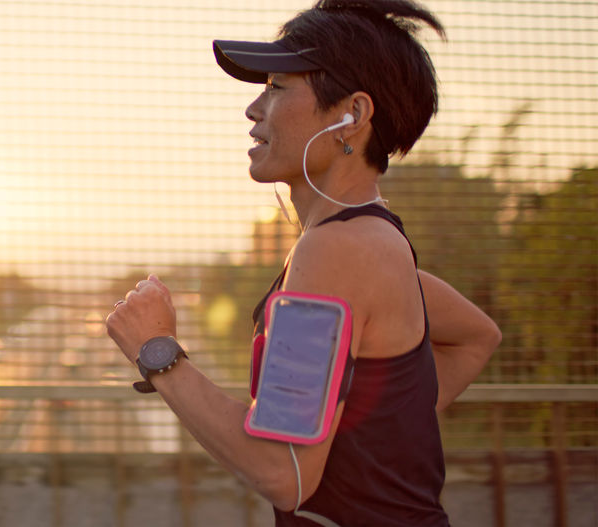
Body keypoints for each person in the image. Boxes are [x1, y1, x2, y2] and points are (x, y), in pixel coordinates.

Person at [105, 1, 502, 525]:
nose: (253, 109)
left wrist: (157, 353)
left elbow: (282, 471)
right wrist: (372, 434)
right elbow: (477, 337)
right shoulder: (374, 244)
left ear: (351, 115)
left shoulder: (337, 249)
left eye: (276, 87)